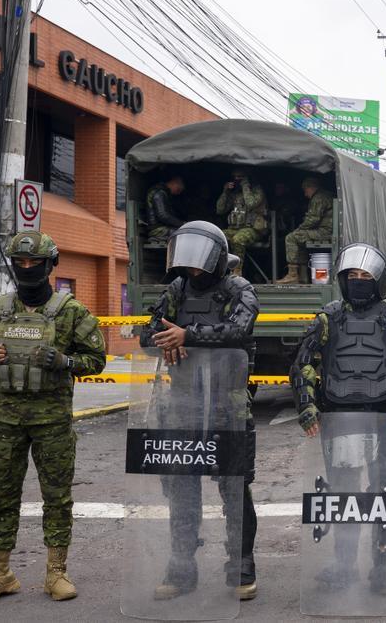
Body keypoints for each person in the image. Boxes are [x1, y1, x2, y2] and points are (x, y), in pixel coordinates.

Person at [0, 231, 107, 603]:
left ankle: (56, 573)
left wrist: (66, 362)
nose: (27, 269)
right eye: (21, 263)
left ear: (49, 265)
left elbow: (96, 361)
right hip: (6, 420)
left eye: (34, 263)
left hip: (52, 421)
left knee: (57, 497)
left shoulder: (71, 312)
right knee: (3, 496)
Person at [291, 243, 386, 593]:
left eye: (365, 275)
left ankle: (383, 567)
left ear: (379, 280)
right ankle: (344, 564)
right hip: (341, 418)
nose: (358, 280)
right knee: (343, 494)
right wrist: (306, 406)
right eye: (351, 275)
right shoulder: (329, 317)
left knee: (385, 494)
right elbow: (303, 363)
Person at [141, 221, 261, 601]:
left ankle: (241, 565)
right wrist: (165, 341)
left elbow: (238, 330)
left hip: (227, 406)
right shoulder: (176, 289)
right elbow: (148, 333)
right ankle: (181, 569)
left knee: (235, 489)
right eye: (188, 265)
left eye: (199, 264)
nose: (193, 272)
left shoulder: (239, 289)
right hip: (184, 406)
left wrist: (186, 335)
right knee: (182, 490)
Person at [278, 177, 334, 284]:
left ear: (311, 187)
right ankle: (303, 276)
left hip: (324, 233)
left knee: (291, 237)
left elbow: (313, 219)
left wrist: (299, 229)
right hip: (327, 231)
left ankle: (292, 274)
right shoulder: (325, 195)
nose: (305, 194)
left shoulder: (319, 198)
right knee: (300, 240)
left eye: (305, 190)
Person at [216, 168, 268, 277]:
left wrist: (245, 186)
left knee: (238, 239)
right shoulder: (235, 194)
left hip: (253, 229)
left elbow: (250, 203)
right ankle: (218, 270)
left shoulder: (257, 191)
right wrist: (225, 191)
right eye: (235, 177)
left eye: (240, 177)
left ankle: (237, 271)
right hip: (234, 229)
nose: (237, 179)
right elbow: (220, 210)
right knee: (217, 237)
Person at [144, 174, 187, 241]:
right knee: (188, 233)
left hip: (163, 227)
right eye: (178, 190)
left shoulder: (164, 193)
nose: (178, 193)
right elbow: (162, 215)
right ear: (174, 182)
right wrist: (182, 224)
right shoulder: (159, 193)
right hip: (157, 230)